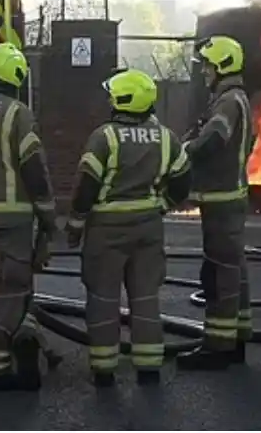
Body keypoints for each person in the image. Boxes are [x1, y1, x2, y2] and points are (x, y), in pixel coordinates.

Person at [65, 68, 192, 386]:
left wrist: (75, 223)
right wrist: (161, 206)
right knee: (146, 296)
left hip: (106, 230)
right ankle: (149, 366)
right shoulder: (166, 138)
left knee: (104, 297)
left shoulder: (104, 137)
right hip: (148, 228)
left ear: (121, 100)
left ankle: (104, 369)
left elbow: (86, 185)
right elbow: (183, 181)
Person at [0, 43, 57, 391]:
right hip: (10, 221)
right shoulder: (17, 114)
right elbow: (34, 169)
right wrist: (49, 219)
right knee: (8, 292)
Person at [177, 35, 255, 370]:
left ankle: (218, 346)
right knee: (234, 269)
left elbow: (215, 137)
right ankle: (236, 337)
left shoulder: (227, 102)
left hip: (222, 200)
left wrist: (185, 152)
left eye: (208, 65)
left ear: (222, 65)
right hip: (231, 196)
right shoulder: (238, 98)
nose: (204, 72)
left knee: (219, 272)